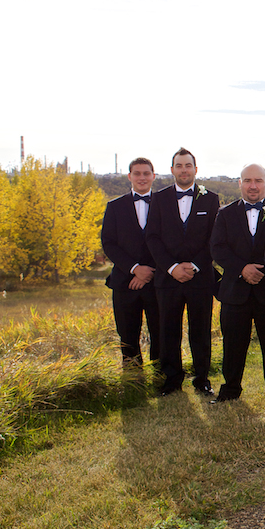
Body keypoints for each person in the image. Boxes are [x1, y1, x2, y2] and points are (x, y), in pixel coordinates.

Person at [146, 147, 220, 397]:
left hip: (200, 278)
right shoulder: (159, 198)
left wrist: (195, 266)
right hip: (168, 279)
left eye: (188, 166)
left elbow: (214, 238)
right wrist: (172, 267)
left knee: (200, 330)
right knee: (168, 330)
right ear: (171, 170)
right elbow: (153, 237)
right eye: (179, 166)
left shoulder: (211, 198)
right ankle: (171, 380)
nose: (184, 170)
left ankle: (201, 378)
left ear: (195, 170)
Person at [209, 163, 265, 406]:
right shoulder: (225, 213)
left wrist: (260, 270)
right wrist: (242, 269)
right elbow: (217, 248)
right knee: (232, 345)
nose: (253, 186)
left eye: (258, 181)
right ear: (239, 183)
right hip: (234, 292)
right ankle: (230, 390)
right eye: (248, 181)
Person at [101, 157, 160, 370]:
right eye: (137, 173)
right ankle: (133, 378)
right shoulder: (114, 206)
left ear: (153, 176)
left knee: (160, 331)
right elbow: (109, 244)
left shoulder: (166, 205)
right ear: (130, 176)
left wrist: (149, 272)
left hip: (157, 281)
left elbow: (170, 242)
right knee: (127, 334)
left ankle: (161, 376)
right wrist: (135, 269)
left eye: (146, 173)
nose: (142, 178)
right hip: (125, 282)